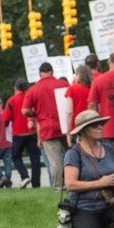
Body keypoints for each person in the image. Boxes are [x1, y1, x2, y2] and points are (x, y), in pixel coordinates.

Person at [62, 110, 114, 228]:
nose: (100, 127)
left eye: (101, 124)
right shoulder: (73, 154)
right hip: (85, 207)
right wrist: (100, 183)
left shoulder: (109, 148)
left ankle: (103, 224)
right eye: (95, 125)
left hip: (110, 204)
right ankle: (78, 225)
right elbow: (70, 185)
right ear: (83, 131)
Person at [25, 63, 72, 191]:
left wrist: (35, 114)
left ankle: (59, 187)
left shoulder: (33, 89)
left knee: (55, 162)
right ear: (52, 72)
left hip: (47, 128)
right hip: (66, 126)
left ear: (40, 73)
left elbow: (25, 110)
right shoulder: (64, 84)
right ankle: (73, 183)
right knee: (71, 157)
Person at [6, 78, 38, 187]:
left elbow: (6, 119)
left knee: (15, 156)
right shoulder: (31, 98)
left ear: (15, 87)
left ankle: (24, 176)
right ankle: (36, 184)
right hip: (32, 132)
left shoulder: (11, 100)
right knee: (35, 159)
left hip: (18, 133)